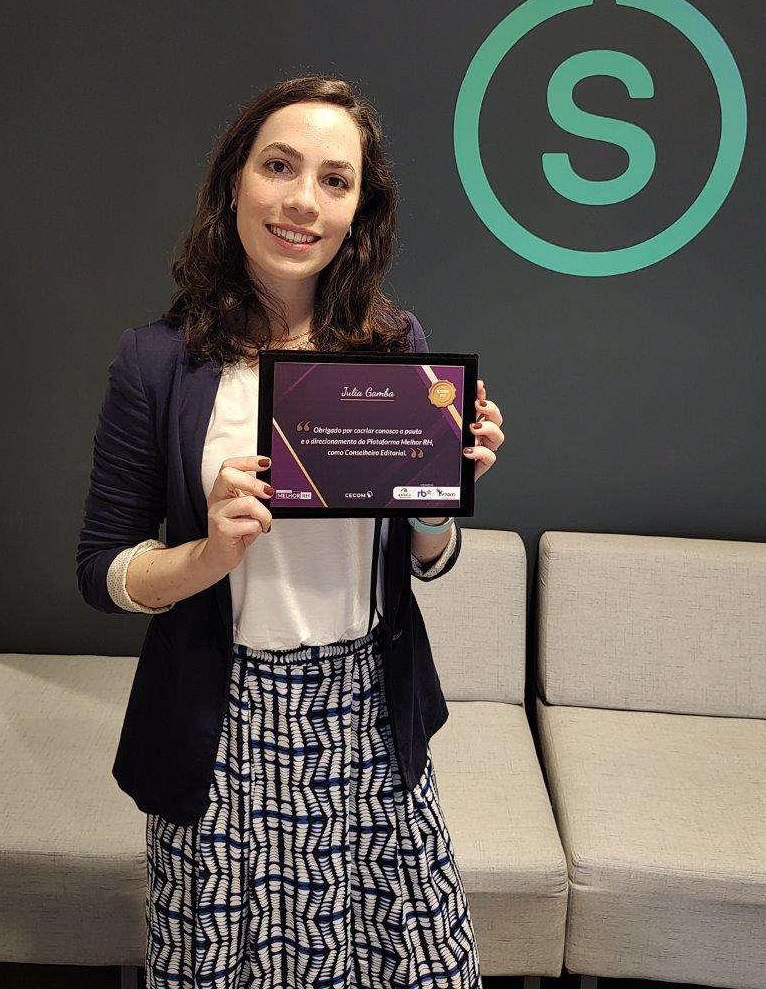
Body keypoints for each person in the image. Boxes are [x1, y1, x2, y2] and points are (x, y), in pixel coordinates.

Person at [76, 75, 504, 989]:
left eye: (334, 180)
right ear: (234, 180)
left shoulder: (395, 347)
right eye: (279, 166)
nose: (303, 200)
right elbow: (101, 570)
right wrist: (207, 553)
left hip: (368, 711)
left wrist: (441, 499)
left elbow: (425, 560)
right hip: (218, 720)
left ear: (358, 211)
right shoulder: (156, 362)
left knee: (417, 964)